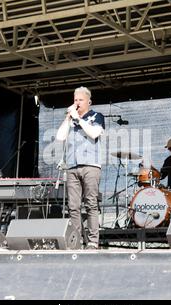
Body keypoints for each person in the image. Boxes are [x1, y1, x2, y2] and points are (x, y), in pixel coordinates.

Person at [56, 86, 105, 249]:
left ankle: (93, 241)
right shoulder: (72, 119)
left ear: (89, 101)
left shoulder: (97, 116)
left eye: (80, 100)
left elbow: (94, 133)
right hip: (72, 165)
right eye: (75, 99)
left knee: (91, 203)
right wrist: (69, 118)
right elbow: (60, 137)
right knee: (73, 206)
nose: (77, 102)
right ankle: (77, 240)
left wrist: (79, 119)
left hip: (91, 165)